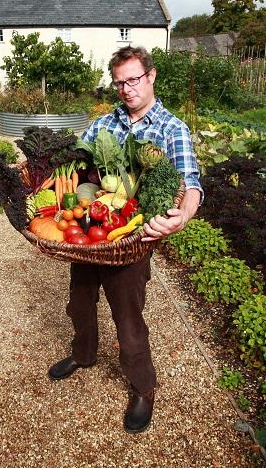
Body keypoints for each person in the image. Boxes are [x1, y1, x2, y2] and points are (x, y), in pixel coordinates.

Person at [47, 45, 203, 434]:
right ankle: (82, 355)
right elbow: (81, 167)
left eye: (133, 80)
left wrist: (181, 215)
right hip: (92, 233)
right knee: (79, 302)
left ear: (150, 77)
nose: (127, 89)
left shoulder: (171, 128)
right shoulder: (104, 124)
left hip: (131, 240)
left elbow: (192, 183)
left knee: (128, 317)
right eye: (119, 83)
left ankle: (142, 388)